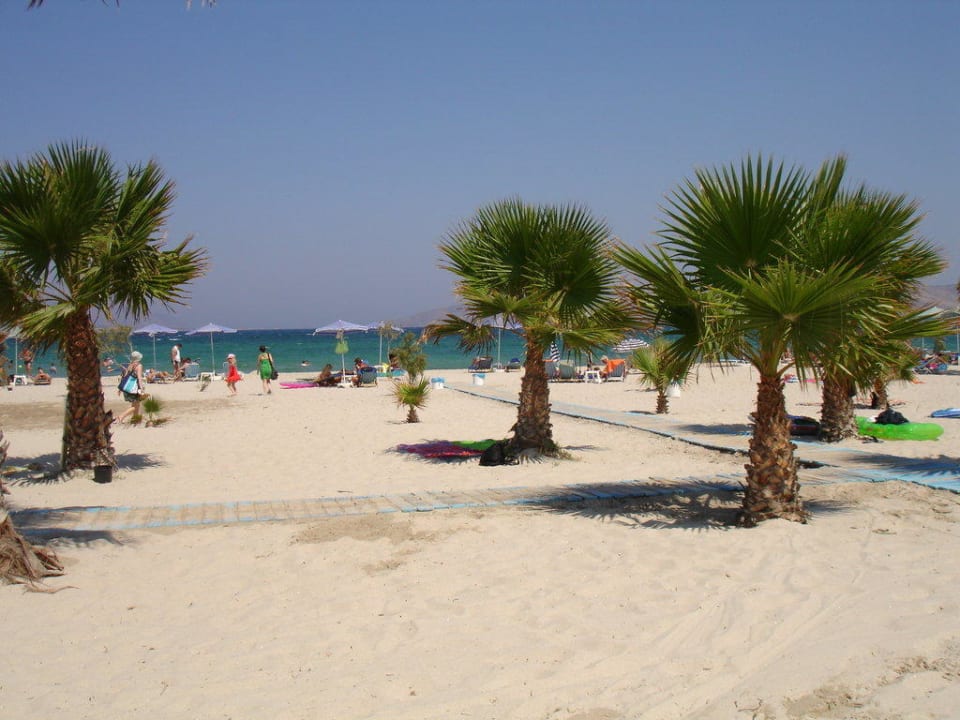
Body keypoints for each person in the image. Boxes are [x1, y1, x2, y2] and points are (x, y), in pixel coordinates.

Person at [116, 351, 146, 424]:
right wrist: (141, 389)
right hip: (133, 389)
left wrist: (120, 389)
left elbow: (124, 377)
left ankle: (135, 420)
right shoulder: (139, 366)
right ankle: (121, 416)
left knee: (136, 404)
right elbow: (139, 378)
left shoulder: (130, 365)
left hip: (127, 388)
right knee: (135, 406)